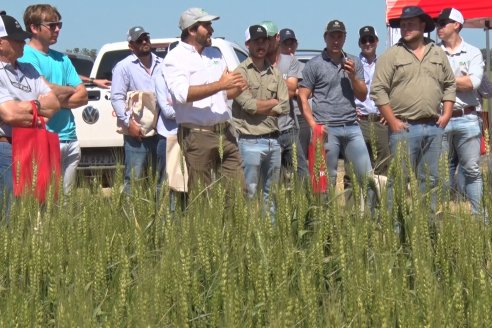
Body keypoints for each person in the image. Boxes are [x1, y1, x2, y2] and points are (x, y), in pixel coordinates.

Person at [371, 6, 456, 213]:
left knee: (432, 179)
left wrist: (446, 113)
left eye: (410, 23)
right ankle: (396, 227)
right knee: (399, 179)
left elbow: (449, 84)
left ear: (422, 25)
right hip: (404, 128)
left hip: (434, 126)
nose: (405, 27)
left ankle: (428, 226)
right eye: (402, 24)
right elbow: (378, 90)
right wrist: (392, 122)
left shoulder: (438, 53)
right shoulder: (391, 55)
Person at [163, 8, 246, 194]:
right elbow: (181, 95)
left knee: (238, 191)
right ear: (192, 30)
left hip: (226, 133)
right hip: (197, 135)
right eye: (206, 25)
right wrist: (221, 84)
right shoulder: (175, 58)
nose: (212, 30)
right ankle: (204, 223)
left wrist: (237, 87)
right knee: (202, 194)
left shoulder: (214, 54)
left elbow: (224, 93)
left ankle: (231, 224)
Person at [298, 20, 376, 210]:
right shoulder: (314, 65)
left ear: (345, 38)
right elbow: (302, 96)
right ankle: (323, 222)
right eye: (332, 35)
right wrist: (313, 124)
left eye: (339, 35)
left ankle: (373, 220)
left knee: (367, 176)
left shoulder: (353, 62)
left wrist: (353, 77)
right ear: (325, 38)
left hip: (351, 125)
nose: (335, 40)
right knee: (324, 180)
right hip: (326, 127)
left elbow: (362, 94)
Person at [20, 4, 88, 195]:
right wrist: (68, 90)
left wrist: (54, 97)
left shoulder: (63, 58)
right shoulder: (25, 56)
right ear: (34, 27)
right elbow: (43, 90)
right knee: (45, 201)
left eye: (59, 25)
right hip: (45, 136)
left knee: (66, 204)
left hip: (70, 137)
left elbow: (83, 96)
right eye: (52, 25)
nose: (57, 29)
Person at [0, 13, 60, 218]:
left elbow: (53, 105)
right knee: (11, 212)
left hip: (35, 143)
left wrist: (27, 106)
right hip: (7, 146)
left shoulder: (29, 69)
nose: (23, 42)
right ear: (0, 43)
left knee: (39, 209)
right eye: (16, 39)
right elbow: (9, 114)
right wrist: (37, 106)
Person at [436, 8, 485, 216]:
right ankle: (444, 215)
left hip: (467, 117)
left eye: (443, 23)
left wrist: (443, 80)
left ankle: (478, 216)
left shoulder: (473, 52)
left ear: (456, 25)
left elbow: (473, 82)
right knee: (442, 172)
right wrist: (459, 80)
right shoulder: (433, 51)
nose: (439, 27)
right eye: (438, 23)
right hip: (441, 118)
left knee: (472, 170)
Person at [233, 25, 289, 202]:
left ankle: (270, 230)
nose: (260, 45)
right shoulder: (240, 73)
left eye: (264, 41)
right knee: (249, 192)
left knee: (271, 195)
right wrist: (274, 103)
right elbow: (249, 106)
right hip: (250, 141)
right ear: (248, 44)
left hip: (274, 140)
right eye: (256, 41)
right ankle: (250, 229)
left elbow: (285, 105)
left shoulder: (276, 73)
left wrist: (265, 106)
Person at [111, 25, 161, 194]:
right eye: (139, 40)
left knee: (159, 177)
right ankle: (129, 217)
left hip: (160, 130)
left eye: (146, 38)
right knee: (134, 177)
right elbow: (117, 97)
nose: (144, 42)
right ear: (131, 45)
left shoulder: (163, 64)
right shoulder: (123, 67)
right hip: (136, 131)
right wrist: (128, 123)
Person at [261, 21, 308, 181]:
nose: (265, 43)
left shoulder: (290, 61)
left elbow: (290, 91)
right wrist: (282, 82)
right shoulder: (255, 62)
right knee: (272, 180)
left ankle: (309, 205)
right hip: (264, 131)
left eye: (269, 38)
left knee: (303, 176)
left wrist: (266, 84)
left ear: (277, 38)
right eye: (262, 39)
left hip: (288, 129)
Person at [355, 26, 390, 177]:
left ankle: (380, 199)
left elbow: (394, 88)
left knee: (384, 166)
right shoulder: (352, 64)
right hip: (360, 121)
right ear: (359, 43)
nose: (367, 43)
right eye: (364, 40)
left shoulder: (385, 63)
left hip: (380, 121)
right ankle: (357, 201)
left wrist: (390, 110)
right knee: (357, 166)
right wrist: (350, 110)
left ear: (377, 42)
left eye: (371, 39)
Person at [279, 28, 310, 160]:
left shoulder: (302, 66)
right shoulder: (272, 65)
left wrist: (295, 90)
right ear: (278, 45)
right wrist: (294, 89)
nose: (289, 47)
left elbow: (308, 91)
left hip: (300, 116)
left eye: (292, 43)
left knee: (300, 158)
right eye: (286, 43)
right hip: (282, 118)